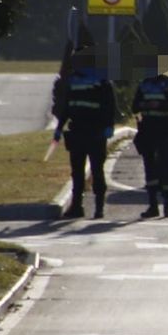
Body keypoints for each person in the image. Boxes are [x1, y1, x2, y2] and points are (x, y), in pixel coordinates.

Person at [52, 51, 117, 219]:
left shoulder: (102, 82)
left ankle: (99, 208)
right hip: (77, 132)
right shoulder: (73, 81)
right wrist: (59, 127)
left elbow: (110, 107)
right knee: (77, 172)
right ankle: (77, 207)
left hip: (96, 133)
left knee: (97, 170)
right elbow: (67, 107)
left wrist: (109, 126)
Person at [131, 57, 168, 218]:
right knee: (150, 169)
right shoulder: (143, 85)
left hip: (164, 131)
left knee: (166, 168)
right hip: (147, 131)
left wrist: (160, 105)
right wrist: (144, 106)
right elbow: (134, 107)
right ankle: (152, 205)